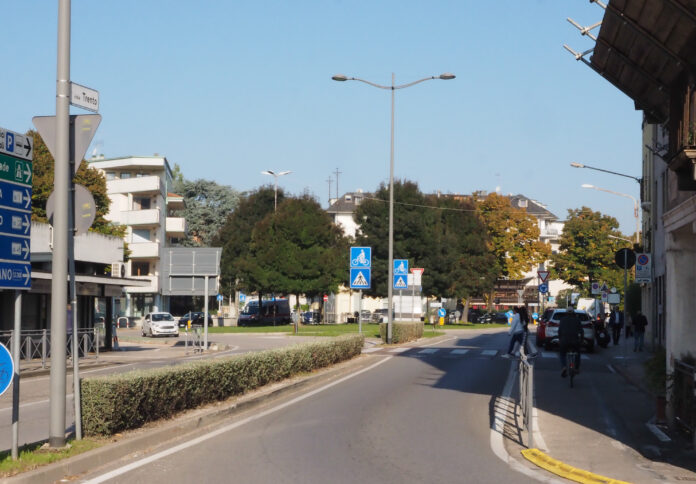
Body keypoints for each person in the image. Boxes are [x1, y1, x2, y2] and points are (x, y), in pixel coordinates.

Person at [558, 308, 583, 377]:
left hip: (564, 341)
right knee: (578, 353)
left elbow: (559, 331)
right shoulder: (577, 320)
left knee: (562, 354)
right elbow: (581, 331)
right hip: (575, 341)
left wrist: (560, 340)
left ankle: (564, 367)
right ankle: (577, 368)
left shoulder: (562, 320)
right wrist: (581, 340)